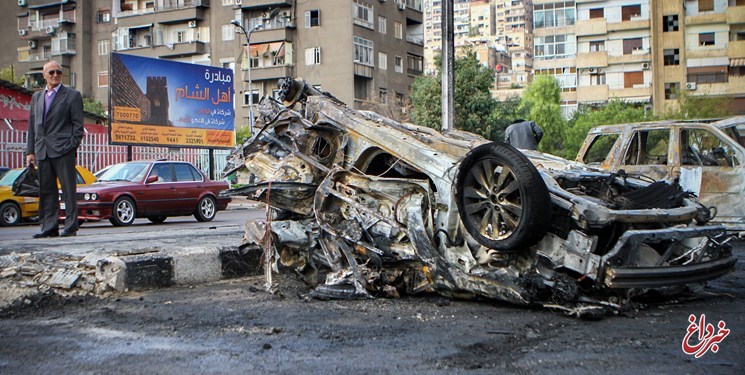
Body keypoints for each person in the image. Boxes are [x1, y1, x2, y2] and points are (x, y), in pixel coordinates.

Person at [26, 61, 84, 238]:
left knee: (68, 190)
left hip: (63, 150)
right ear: (44, 74)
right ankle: (49, 227)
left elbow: (78, 126)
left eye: (58, 72)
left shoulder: (72, 95)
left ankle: (70, 226)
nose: (55, 75)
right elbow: (32, 126)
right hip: (42, 150)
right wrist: (30, 152)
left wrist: (70, 146)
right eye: (51, 72)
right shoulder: (37, 97)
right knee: (46, 191)